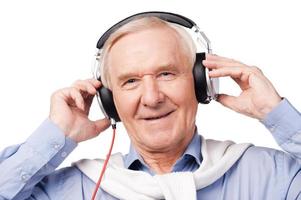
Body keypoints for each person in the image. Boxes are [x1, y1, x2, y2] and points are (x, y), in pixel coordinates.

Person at [0, 14, 301, 200]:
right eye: (130, 81)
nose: (152, 97)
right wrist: (55, 135)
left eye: (166, 73)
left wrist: (275, 113)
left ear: (201, 83)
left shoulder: (272, 176)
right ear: (109, 100)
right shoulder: (70, 190)